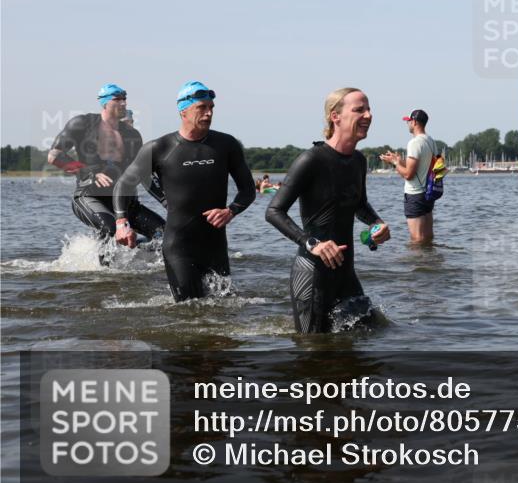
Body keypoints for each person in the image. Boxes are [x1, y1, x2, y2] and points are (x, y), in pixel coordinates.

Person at [113, 81, 256, 301]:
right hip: (179, 247)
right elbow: (124, 184)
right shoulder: (159, 147)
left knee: (224, 311)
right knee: (189, 313)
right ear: (183, 111)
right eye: (202, 108)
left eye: (211, 108)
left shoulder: (227, 145)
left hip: (216, 246)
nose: (209, 113)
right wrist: (122, 222)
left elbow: (248, 190)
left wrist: (231, 211)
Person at [266, 88, 390, 332]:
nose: (368, 115)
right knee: (313, 352)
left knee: (366, 337)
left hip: (346, 273)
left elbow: (360, 205)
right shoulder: (312, 160)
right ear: (336, 116)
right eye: (359, 110)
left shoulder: (358, 160)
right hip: (313, 274)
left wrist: (377, 223)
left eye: (369, 109)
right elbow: (273, 211)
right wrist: (313, 243)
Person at [47, 84, 165, 261]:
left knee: (165, 235)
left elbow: (144, 174)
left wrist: (166, 201)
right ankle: (103, 278)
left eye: (125, 99)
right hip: (90, 197)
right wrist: (88, 172)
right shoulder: (82, 123)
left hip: (126, 203)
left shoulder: (132, 134)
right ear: (104, 103)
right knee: (110, 230)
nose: (123, 103)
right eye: (117, 99)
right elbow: (54, 156)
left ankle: (136, 254)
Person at [379, 109, 436, 244]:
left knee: (417, 239)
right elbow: (420, 168)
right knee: (427, 237)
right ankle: (431, 261)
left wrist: (393, 163)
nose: (407, 124)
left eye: (408, 121)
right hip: (428, 193)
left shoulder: (414, 143)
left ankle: (418, 264)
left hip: (415, 195)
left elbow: (408, 174)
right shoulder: (431, 141)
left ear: (414, 122)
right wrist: (399, 161)